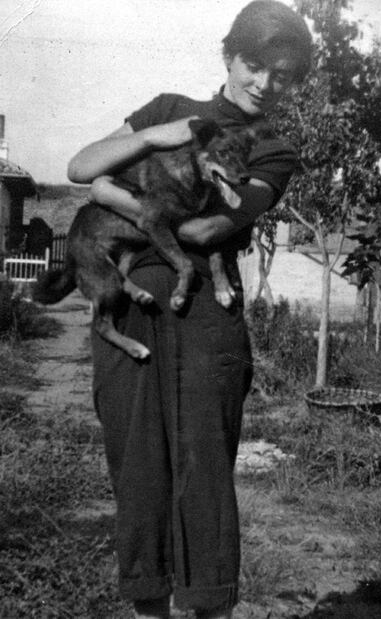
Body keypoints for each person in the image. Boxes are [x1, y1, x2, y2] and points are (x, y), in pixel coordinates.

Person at [67, 2, 312, 618]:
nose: (264, 84)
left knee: (204, 484)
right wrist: (152, 138)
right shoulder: (169, 110)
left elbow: (203, 231)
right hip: (132, 309)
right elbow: (79, 168)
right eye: (254, 65)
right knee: (139, 477)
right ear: (229, 56)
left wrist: (111, 195)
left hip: (208, 318)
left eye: (282, 75)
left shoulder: (274, 151)